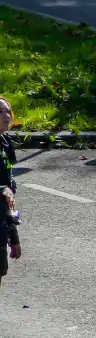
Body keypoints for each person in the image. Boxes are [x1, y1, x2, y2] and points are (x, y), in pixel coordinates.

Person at [0, 96, 23, 289]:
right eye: (0, 112)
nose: (6, 116)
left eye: (8, 111)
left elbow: (8, 196)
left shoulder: (5, 143)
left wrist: (13, 238)